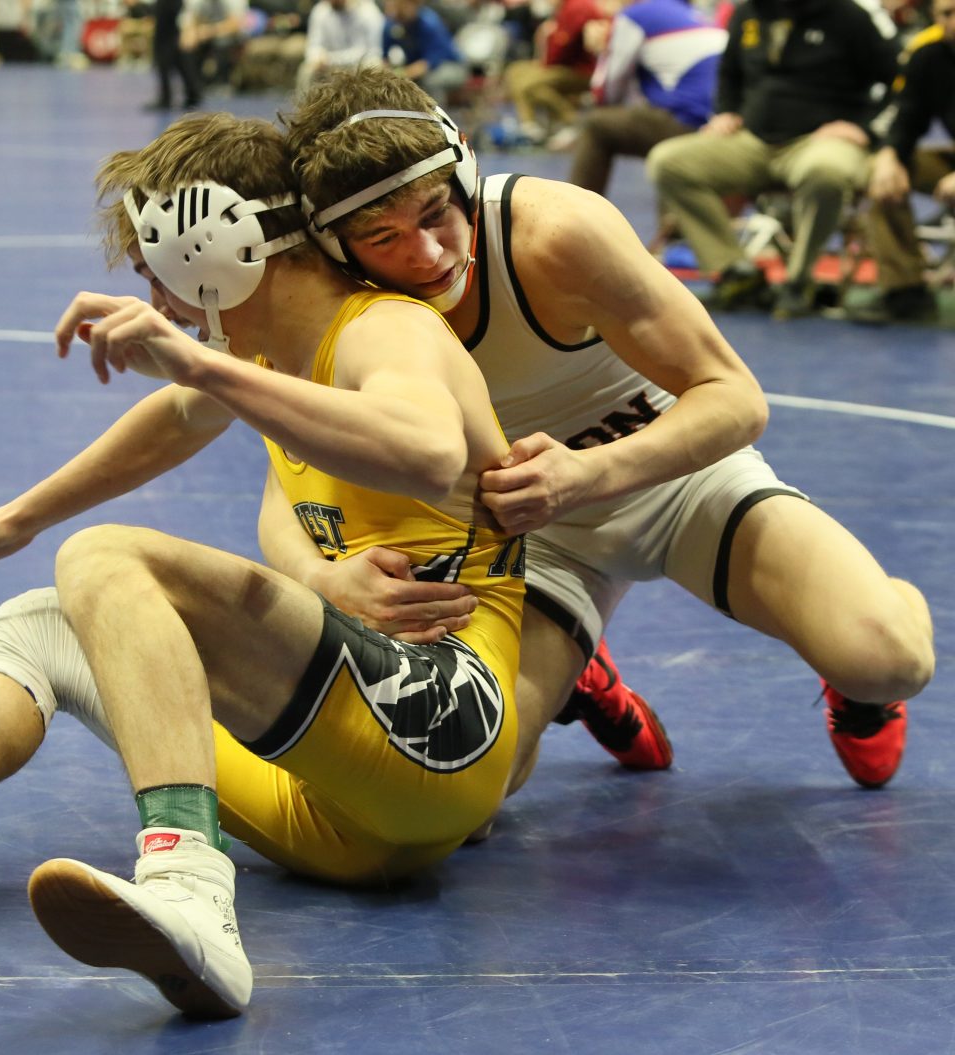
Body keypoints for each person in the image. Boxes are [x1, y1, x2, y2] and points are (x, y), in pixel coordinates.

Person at [0, 109, 535, 1019]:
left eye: (151, 265)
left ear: (214, 247)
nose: (152, 293)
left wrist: (202, 369)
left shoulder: (381, 329)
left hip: (443, 731)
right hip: (334, 807)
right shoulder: (262, 346)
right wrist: (15, 519)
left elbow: (429, 449)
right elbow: (173, 420)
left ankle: (190, 888)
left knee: (108, 557)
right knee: (45, 619)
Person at [279, 65, 933, 795]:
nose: (427, 253)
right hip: (527, 537)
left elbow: (735, 397)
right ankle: (581, 673)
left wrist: (587, 474)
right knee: (468, 793)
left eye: (436, 213)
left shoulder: (553, 234)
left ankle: (861, 660)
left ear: (463, 171)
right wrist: (316, 574)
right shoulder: (333, 308)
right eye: (383, 236)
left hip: (676, 480)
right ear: (337, 247)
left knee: (887, 655)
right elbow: (284, 476)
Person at [646, 0, 900, 319]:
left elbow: (899, 80)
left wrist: (866, 129)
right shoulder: (748, 13)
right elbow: (729, 74)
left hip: (819, 142)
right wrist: (725, 112)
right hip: (753, 141)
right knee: (668, 161)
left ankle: (800, 280)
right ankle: (734, 270)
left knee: (826, 171)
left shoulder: (848, 16)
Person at [848, 0, 955, 326]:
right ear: (934, 18)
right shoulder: (928, 55)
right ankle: (905, 293)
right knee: (886, 176)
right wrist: (888, 155)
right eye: (947, 14)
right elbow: (906, 115)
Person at [567, 0, 727, 196]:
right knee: (656, 120)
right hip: (723, 122)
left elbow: (607, 93)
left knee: (597, 124)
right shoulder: (692, 12)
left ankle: (576, 213)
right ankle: (673, 222)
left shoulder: (633, 16)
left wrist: (602, 52)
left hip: (691, 122)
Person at [502, 0, 606, 146]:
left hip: (581, 70)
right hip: (563, 66)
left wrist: (548, 38)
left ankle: (571, 121)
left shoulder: (578, 7)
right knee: (514, 71)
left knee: (529, 85)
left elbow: (562, 47)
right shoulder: (564, 7)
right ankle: (530, 125)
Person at [381, 0, 468, 107]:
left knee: (430, 81)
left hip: (451, 66)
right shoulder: (392, 24)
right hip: (415, 68)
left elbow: (428, 64)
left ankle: (434, 116)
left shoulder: (429, 23)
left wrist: (402, 74)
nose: (394, 10)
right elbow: (385, 59)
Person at [295, 0, 383, 95]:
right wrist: (317, 58)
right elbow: (313, 44)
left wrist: (330, 60)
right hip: (328, 65)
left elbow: (365, 51)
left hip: (358, 64)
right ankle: (305, 108)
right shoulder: (320, 10)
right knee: (306, 70)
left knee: (375, 66)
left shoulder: (368, 12)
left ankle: (370, 107)